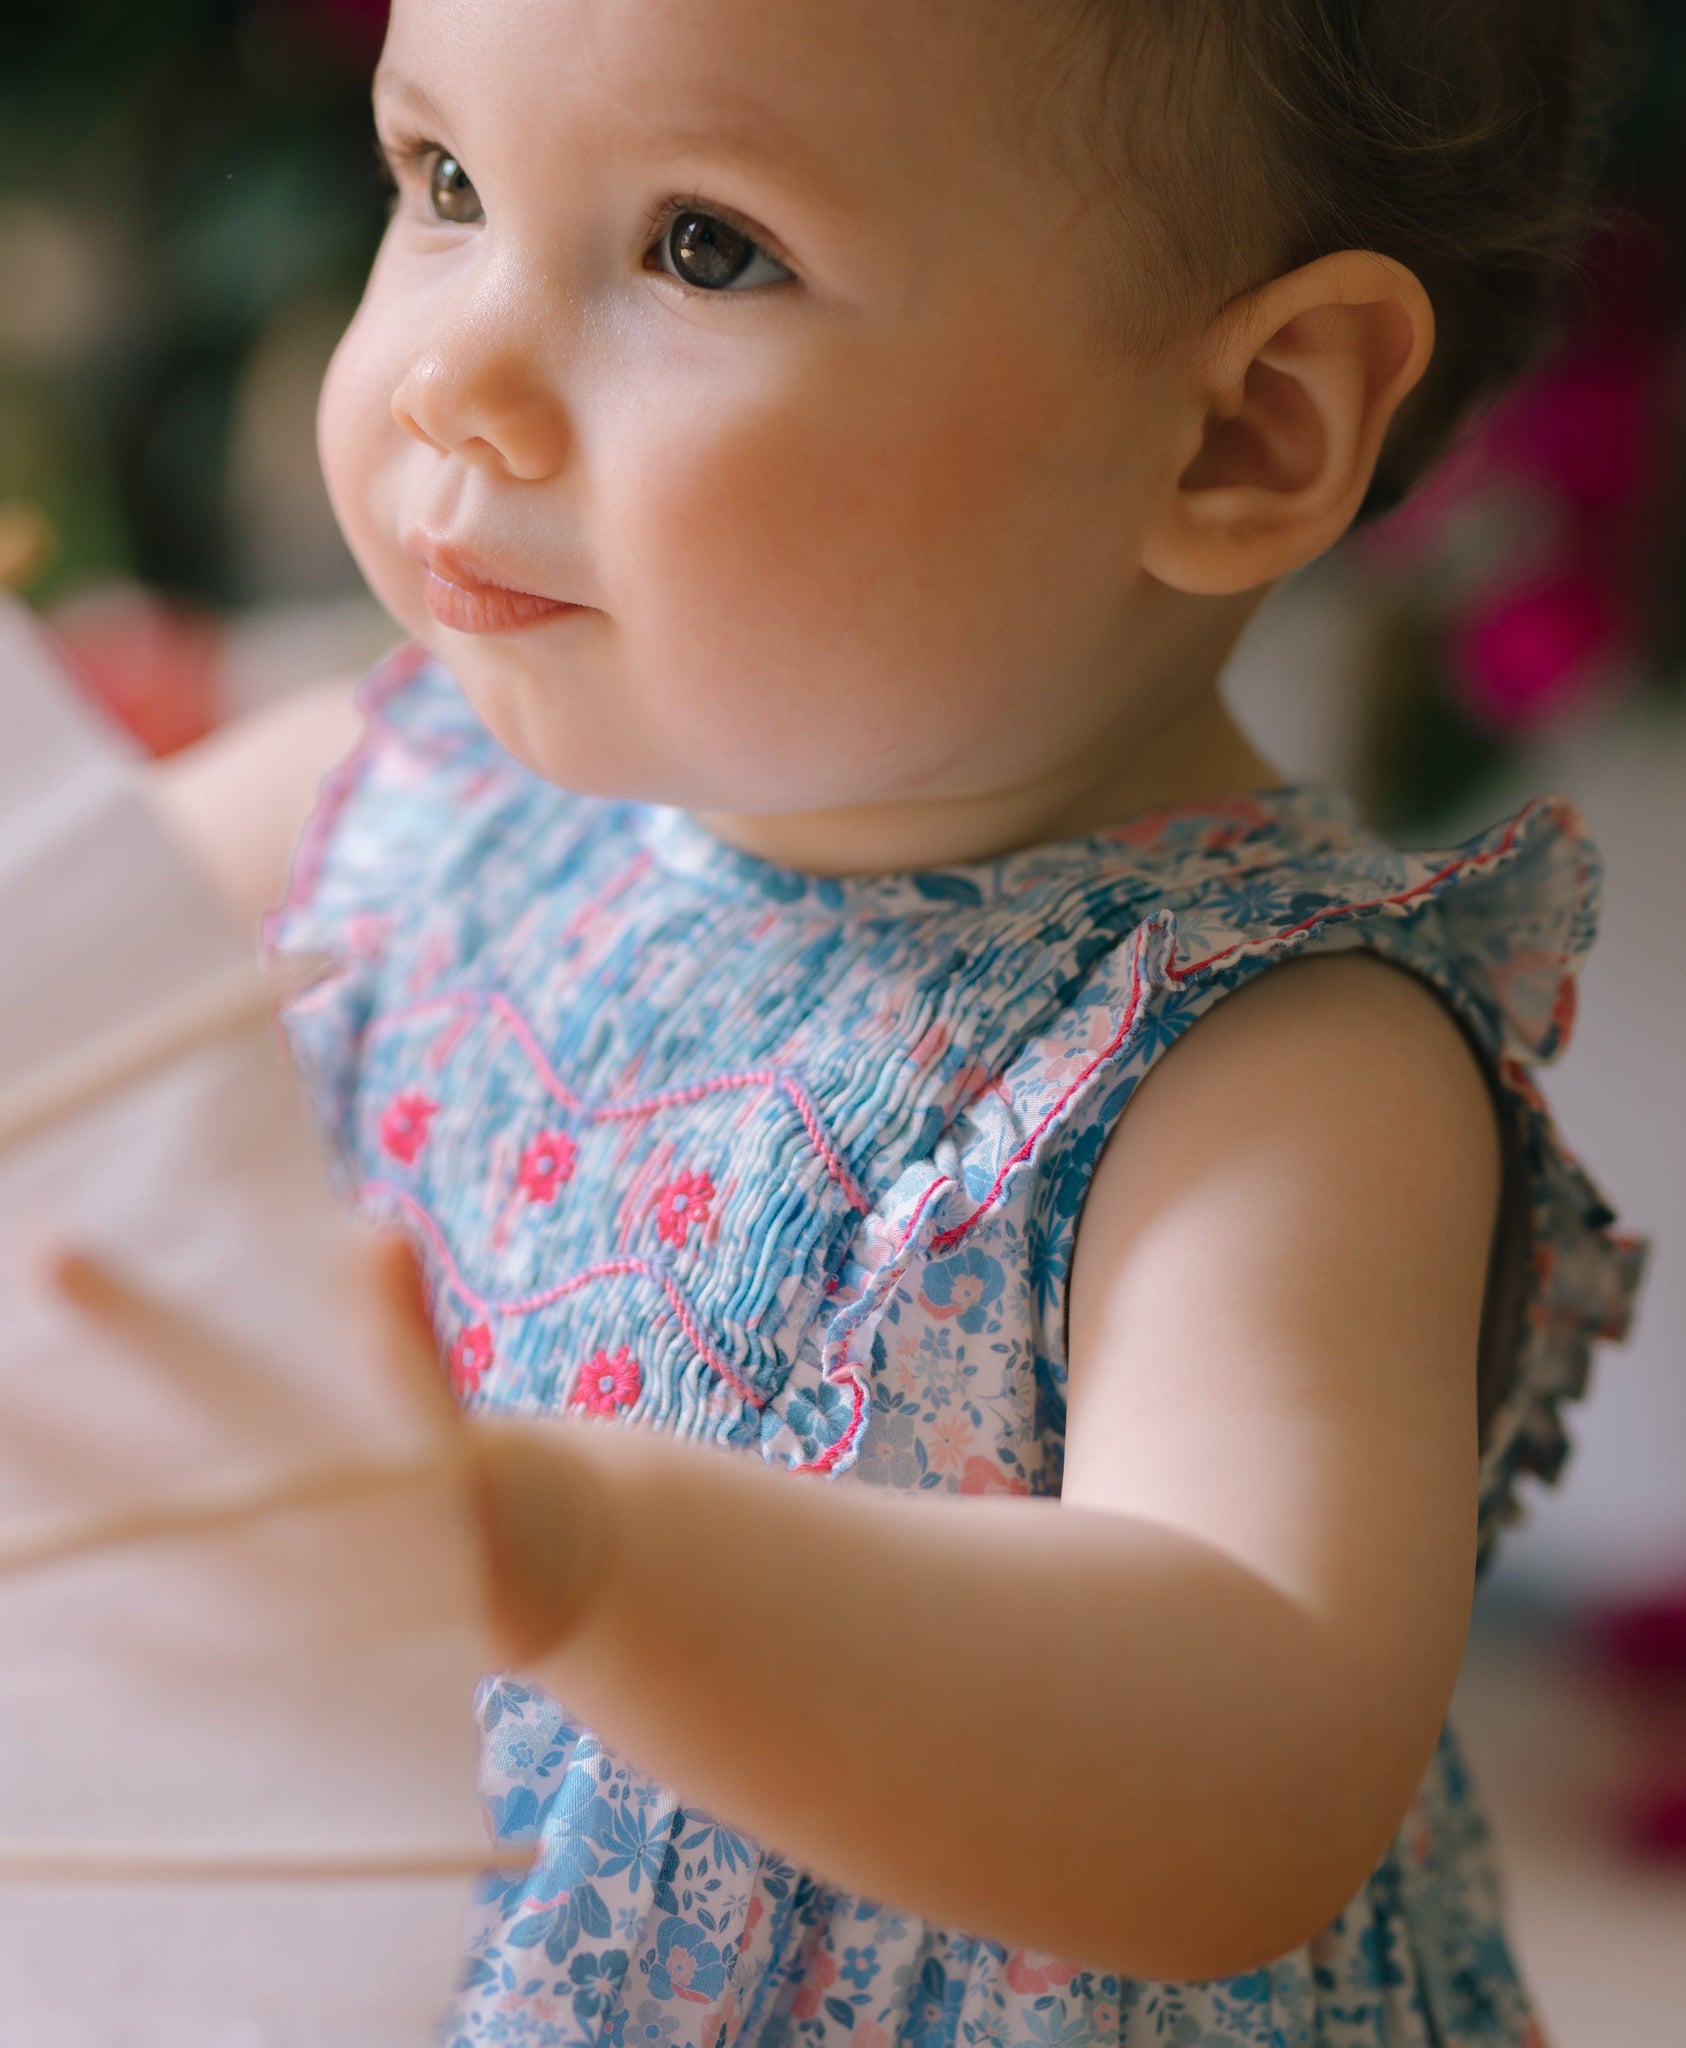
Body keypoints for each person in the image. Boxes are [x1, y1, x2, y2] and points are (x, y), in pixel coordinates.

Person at [138, 0, 1647, 2040]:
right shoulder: (389, 791)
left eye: (704, 248)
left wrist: (572, 1556)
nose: (451, 379)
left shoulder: (1260, 1064)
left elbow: (1253, 1764)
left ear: (1243, 429)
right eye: (449, 184)